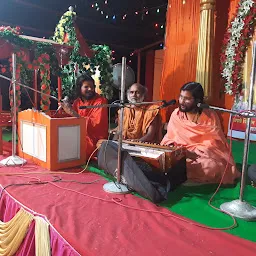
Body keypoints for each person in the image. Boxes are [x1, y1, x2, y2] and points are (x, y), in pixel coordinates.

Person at [161, 82, 240, 184]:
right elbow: (169, 138)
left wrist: (193, 152)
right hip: (180, 155)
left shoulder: (210, 116)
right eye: (181, 97)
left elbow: (215, 144)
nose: (182, 101)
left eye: (187, 99)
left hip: (202, 156)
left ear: (198, 101)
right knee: (167, 163)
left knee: (211, 167)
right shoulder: (176, 115)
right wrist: (177, 149)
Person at [61, 74, 108, 159]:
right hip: (78, 136)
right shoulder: (77, 102)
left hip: (94, 140)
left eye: (92, 87)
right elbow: (70, 121)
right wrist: (64, 108)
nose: (90, 89)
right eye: (86, 87)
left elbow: (96, 125)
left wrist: (73, 113)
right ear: (80, 88)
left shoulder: (100, 101)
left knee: (75, 148)